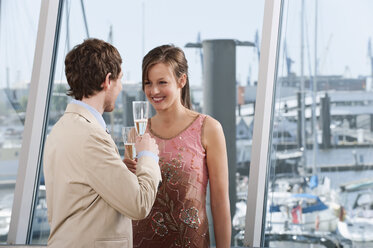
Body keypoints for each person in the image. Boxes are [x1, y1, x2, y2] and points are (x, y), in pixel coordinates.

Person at [43, 38, 162, 248]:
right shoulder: (90, 136)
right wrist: (148, 156)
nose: (121, 87)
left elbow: (80, 193)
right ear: (108, 81)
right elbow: (139, 204)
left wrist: (118, 172)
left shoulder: (60, 129)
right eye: (120, 79)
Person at [126, 44, 231, 247]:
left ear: (181, 80)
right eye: (148, 83)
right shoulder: (137, 133)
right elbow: (132, 200)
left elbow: (219, 203)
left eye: (162, 82)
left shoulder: (208, 128)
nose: (153, 91)